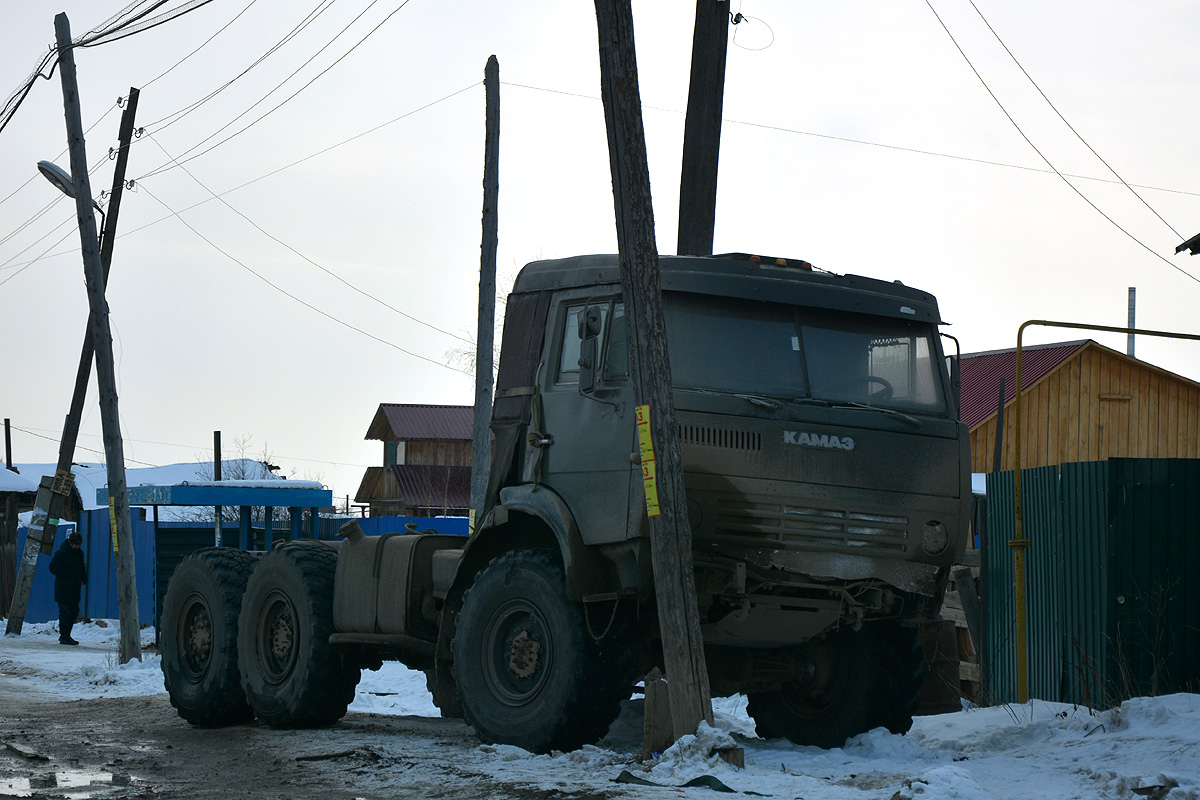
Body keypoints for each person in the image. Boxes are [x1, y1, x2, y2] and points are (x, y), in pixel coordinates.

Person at [48, 531, 87, 645]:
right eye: (75, 544)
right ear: (70, 543)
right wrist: (67, 573)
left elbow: (81, 568)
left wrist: (84, 579)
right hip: (63, 587)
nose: (76, 547)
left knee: (74, 612)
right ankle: (64, 636)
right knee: (65, 611)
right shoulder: (61, 553)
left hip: (74, 588)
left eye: (78, 545)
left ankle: (67, 635)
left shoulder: (79, 553)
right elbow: (53, 567)